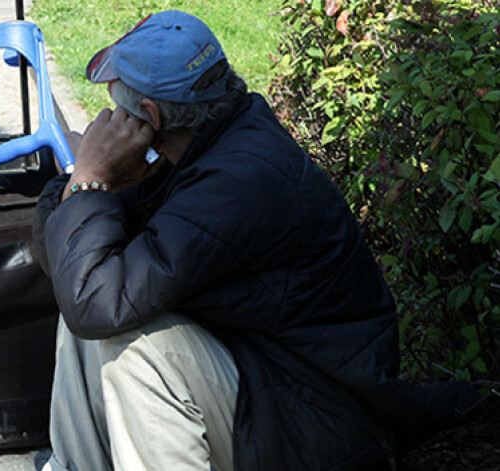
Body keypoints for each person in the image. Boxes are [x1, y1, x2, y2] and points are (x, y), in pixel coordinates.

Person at [33, 10, 480, 471]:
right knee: (86, 320)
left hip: (316, 421)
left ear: (149, 115)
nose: (109, 120)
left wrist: (90, 178)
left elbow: (96, 299)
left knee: (136, 352)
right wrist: (83, 187)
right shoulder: (192, 147)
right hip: (266, 381)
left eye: (116, 108)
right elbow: (71, 274)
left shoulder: (238, 182)